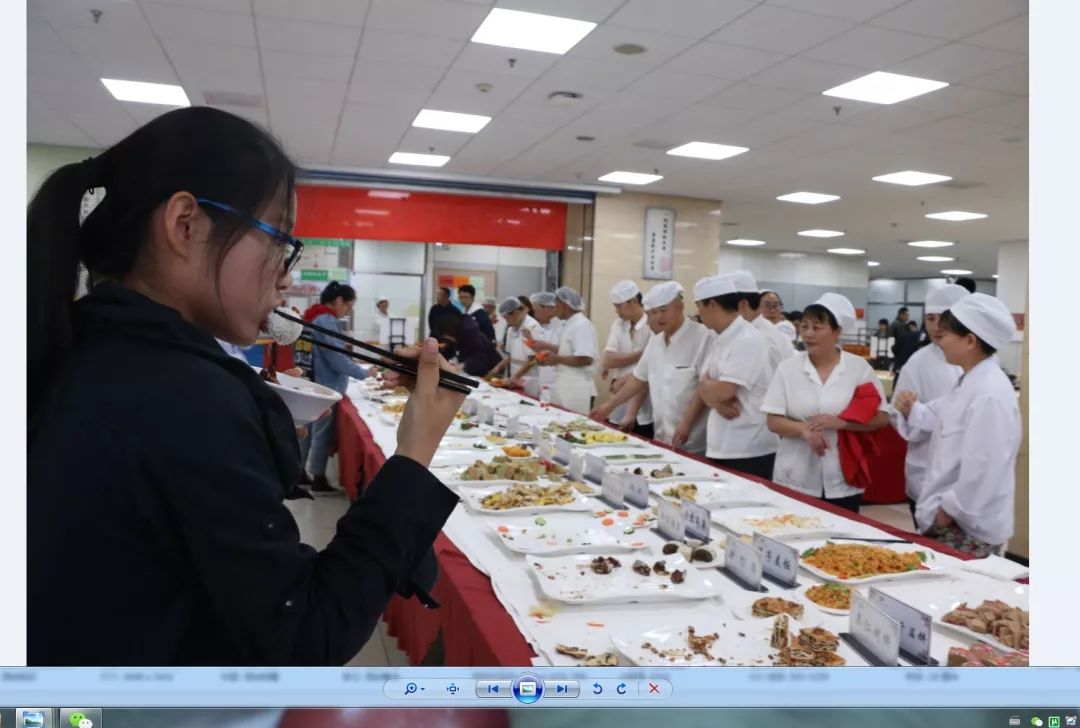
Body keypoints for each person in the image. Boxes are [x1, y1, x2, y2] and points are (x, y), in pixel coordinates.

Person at [27, 106, 465, 666]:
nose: (285, 275)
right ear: (185, 225)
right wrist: (414, 451)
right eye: (279, 238)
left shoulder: (84, 350)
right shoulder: (184, 395)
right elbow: (305, 636)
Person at [892, 294, 1021, 557]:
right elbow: (936, 415)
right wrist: (911, 408)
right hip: (951, 517)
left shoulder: (989, 392)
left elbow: (985, 467)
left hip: (967, 525)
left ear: (970, 341)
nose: (940, 340)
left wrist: (948, 511)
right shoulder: (969, 382)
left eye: (947, 334)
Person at [761, 293, 890, 513]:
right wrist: (803, 430)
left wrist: (842, 423)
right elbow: (773, 420)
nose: (808, 334)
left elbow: (882, 417)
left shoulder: (858, 369)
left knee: (841, 542)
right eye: (805, 326)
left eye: (817, 328)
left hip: (842, 477)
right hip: (796, 474)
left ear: (837, 332)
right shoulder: (788, 368)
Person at [591, 282, 712, 455]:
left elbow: (703, 389)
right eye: (652, 313)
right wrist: (609, 406)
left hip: (693, 441)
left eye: (663, 310)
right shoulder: (655, 342)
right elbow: (638, 379)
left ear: (680, 306)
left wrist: (686, 423)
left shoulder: (703, 338)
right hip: (662, 436)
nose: (657, 318)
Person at [888, 284, 969, 526]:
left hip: (967, 477)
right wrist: (905, 410)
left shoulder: (983, 365)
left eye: (942, 318)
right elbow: (897, 415)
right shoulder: (918, 362)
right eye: (930, 318)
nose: (935, 326)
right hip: (926, 471)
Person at [694, 274, 778, 480]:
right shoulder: (720, 337)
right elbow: (703, 385)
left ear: (712, 304)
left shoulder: (747, 339)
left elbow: (723, 391)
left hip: (749, 448)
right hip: (722, 443)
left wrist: (711, 391)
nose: (698, 313)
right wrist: (714, 398)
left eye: (699, 307)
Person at [297, 282, 372, 494]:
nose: (348, 310)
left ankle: (300, 472)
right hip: (325, 385)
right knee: (321, 432)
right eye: (349, 305)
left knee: (308, 430)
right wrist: (366, 373)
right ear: (339, 301)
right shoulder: (327, 321)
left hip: (311, 380)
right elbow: (337, 360)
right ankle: (318, 477)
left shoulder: (311, 316)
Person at [601, 280, 653, 437]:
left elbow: (649, 368)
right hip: (619, 396)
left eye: (619, 306)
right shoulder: (619, 324)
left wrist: (625, 377)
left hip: (645, 400)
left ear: (634, 301)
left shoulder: (652, 325)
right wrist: (641, 355)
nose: (616, 311)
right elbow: (608, 360)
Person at [535, 286, 598, 414]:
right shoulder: (569, 324)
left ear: (565, 306)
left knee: (573, 427)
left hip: (576, 387)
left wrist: (557, 359)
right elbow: (570, 351)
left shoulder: (581, 325)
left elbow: (585, 359)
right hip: (566, 385)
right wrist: (552, 355)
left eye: (556, 305)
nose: (554, 308)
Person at [732, 270, 796, 373]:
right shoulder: (747, 329)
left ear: (743, 304)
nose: (772, 310)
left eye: (776, 305)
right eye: (768, 305)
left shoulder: (765, 335)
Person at [493, 297, 539, 388]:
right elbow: (510, 356)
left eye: (507, 318)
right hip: (515, 375)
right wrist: (496, 369)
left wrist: (515, 376)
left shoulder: (532, 327)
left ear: (516, 313)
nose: (507, 322)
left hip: (530, 378)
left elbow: (533, 359)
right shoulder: (511, 329)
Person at [440, 310, 501, 377]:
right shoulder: (459, 331)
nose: (449, 340)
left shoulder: (470, 332)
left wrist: (463, 364)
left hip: (490, 368)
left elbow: (479, 355)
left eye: (447, 336)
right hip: (476, 368)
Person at [524, 292, 563, 398]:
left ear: (546, 308)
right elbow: (540, 351)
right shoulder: (543, 326)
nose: (534, 313)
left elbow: (567, 352)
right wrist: (530, 339)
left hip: (559, 383)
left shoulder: (562, 326)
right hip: (544, 379)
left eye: (536, 309)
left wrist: (546, 346)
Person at [428, 286, 459, 354]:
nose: (436, 297)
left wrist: (447, 340)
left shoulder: (455, 311)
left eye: (439, 295)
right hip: (434, 343)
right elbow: (431, 325)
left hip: (449, 345)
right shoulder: (434, 309)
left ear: (446, 296)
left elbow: (457, 330)